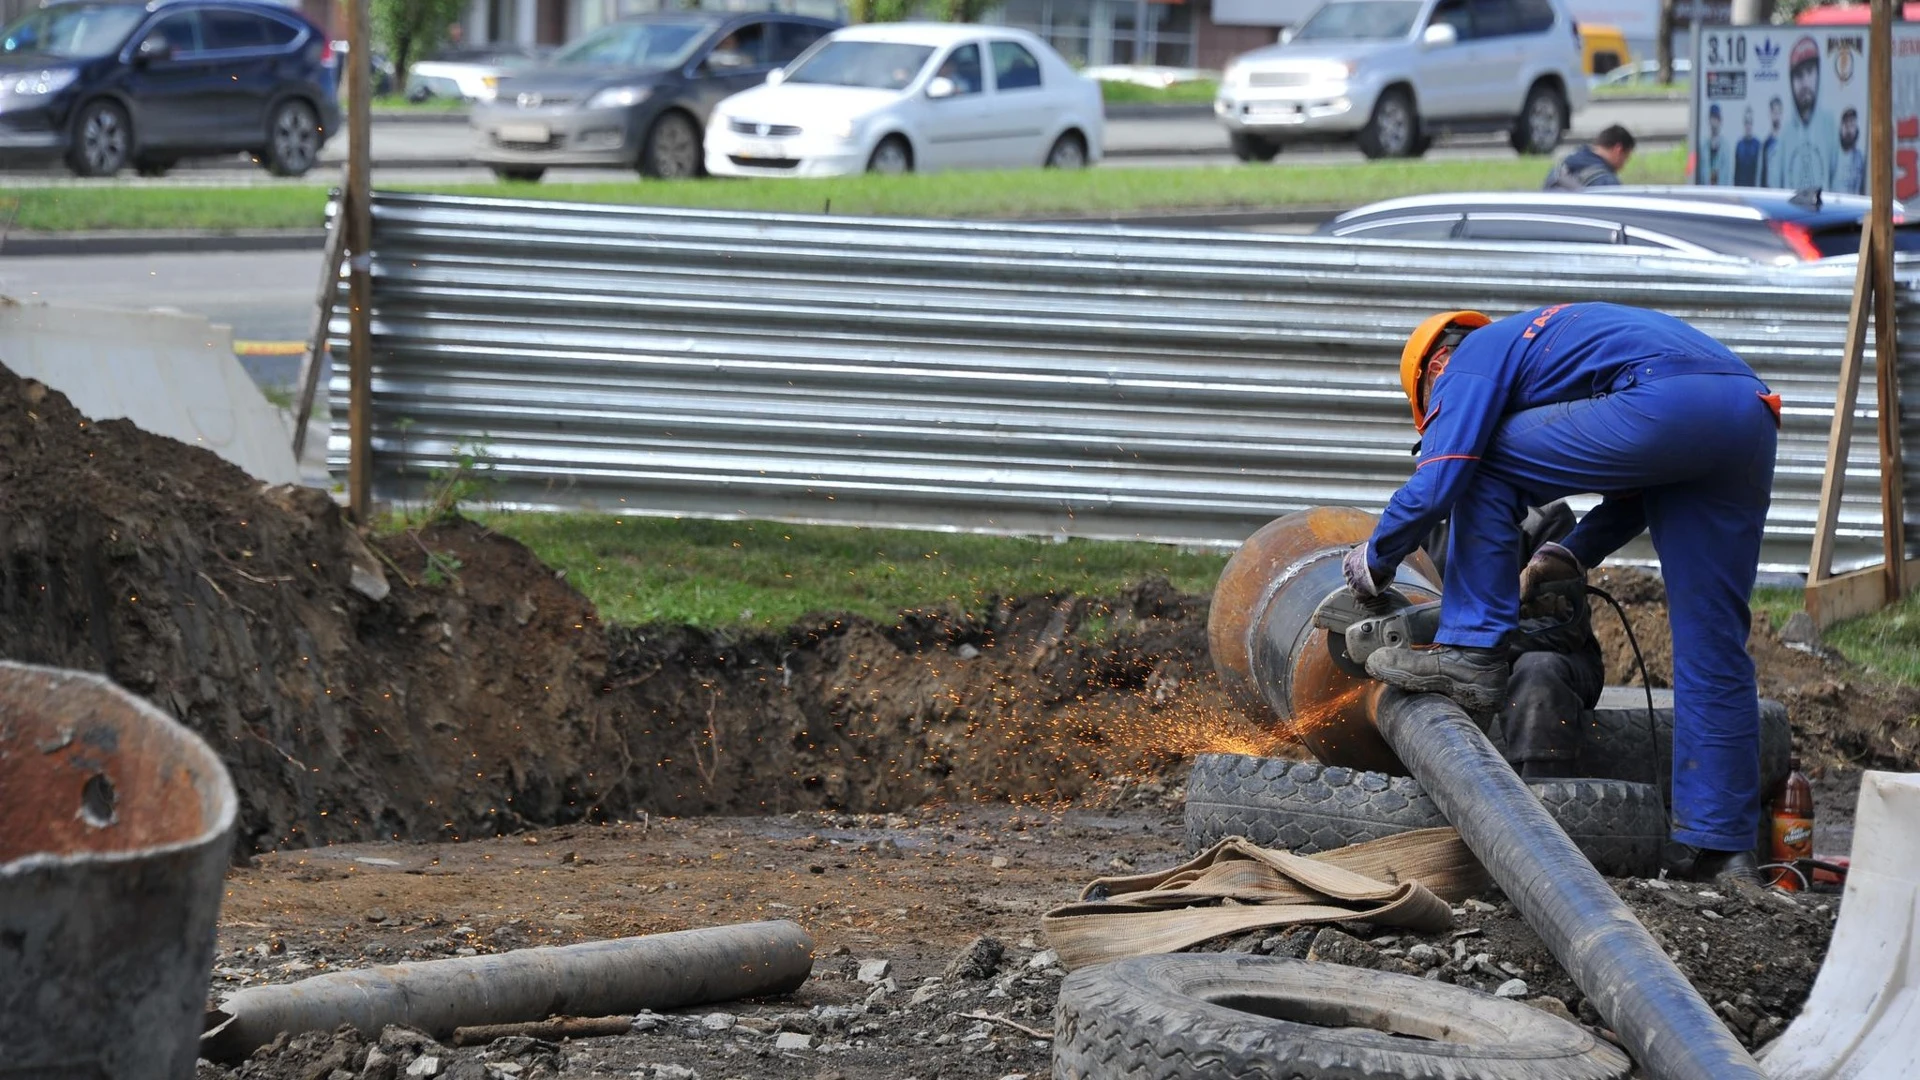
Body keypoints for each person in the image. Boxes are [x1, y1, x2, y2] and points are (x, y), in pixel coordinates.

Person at [1341, 303, 1782, 886]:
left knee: (1479, 461)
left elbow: (1447, 470)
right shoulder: (1553, 351)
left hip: (1666, 401)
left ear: (1436, 367)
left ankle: (1471, 652)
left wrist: (1372, 562)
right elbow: (1645, 480)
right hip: (1746, 417)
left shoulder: (1469, 357)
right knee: (1714, 644)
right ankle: (1723, 851)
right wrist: (1565, 553)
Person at [1423, 501, 1605, 781]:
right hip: (1457, 661)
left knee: (1538, 671)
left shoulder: (1546, 519)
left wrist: (1479, 645)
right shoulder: (1423, 524)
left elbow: (1565, 629)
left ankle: (1543, 797)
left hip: (1553, 663)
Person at [1776, 36, 1837, 191]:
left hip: (1827, 214)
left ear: (1818, 74)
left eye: (1809, 72)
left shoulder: (1830, 125)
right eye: (1798, 76)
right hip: (1789, 215)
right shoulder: (1785, 134)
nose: (1804, 83)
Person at [1542, 125, 1635, 190]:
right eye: (1625, 158)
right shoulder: (1606, 182)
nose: (1623, 166)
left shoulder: (1560, 169)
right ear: (1618, 149)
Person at [1833, 106, 1866, 195]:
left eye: (1852, 125)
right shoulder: (1833, 155)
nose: (1849, 130)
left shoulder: (1860, 158)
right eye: (1846, 125)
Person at [1735, 105, 1762, 187]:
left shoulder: (1757, 144)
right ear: (1744, 123)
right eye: (1746, 122)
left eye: (1750, 122)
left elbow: (1760, 171)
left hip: (1754, 189)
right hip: (1740, 189)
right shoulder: (1739, 145)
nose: (1748, 126)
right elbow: (1736, 172)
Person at [1702, 104, 1728, 185]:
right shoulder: (1704, 146)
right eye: (1712, 118)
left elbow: (1727, 174)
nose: (1714, 122)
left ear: (1720, 121)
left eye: (1716, 118)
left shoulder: (1725, 147)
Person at [1762, 96, 1784, 186]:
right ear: (1770, 114)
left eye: (1778, 112)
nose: (1776, 115)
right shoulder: (1766, 144)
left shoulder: (1785, 143)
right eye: (1774, 112)